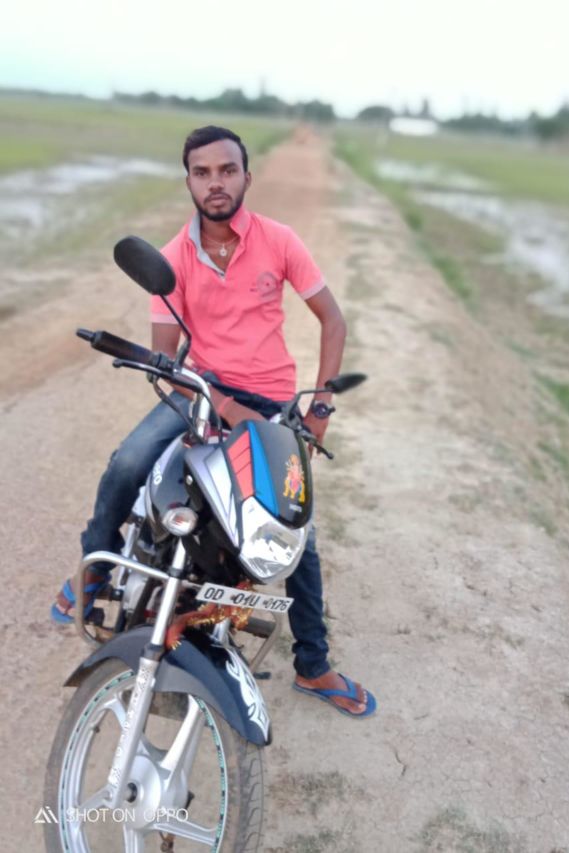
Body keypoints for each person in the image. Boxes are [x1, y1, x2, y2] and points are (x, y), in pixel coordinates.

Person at [51, 124, 376, 718]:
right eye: (202, 173)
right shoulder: (172, 258)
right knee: (129, 463)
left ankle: (313, 663)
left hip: (272, 400)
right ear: (189, 182)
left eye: (226, 170)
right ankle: (95, 569)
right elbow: (166, 360)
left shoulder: (279, 241)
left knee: (294, 533)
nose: (215, 182)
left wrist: (321, 405)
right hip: (199, 391)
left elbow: (333, 320)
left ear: (246, 177)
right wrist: (222, 406)